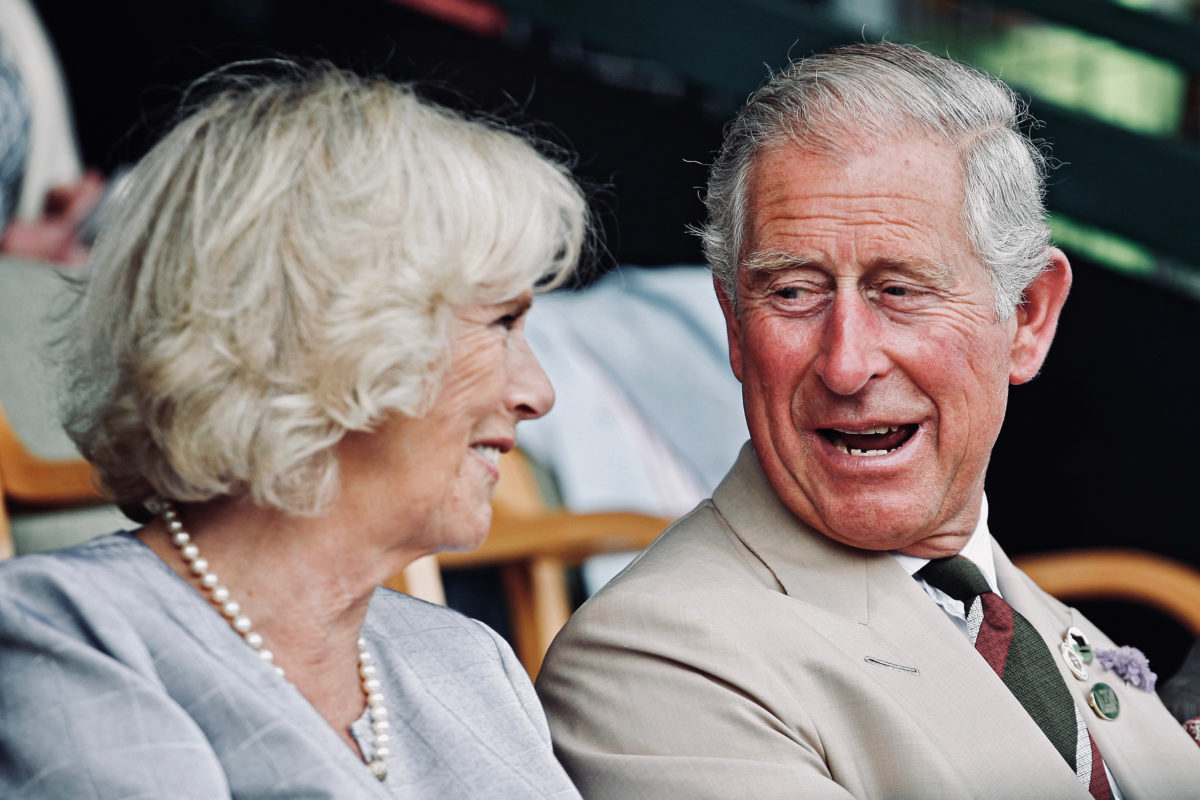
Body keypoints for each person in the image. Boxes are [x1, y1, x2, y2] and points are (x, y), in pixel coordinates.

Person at [536, 42, 1200, 799]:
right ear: (733, 329)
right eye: (792, 291)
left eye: (901, 289)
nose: (847, 365)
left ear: (1026, 318)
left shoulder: (1049, 627)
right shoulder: (654, 663)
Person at [0, 59, 586, 798]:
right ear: (330, 337)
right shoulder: (65, 636)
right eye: (502, 321)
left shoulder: (471, 664)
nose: (537, 392)